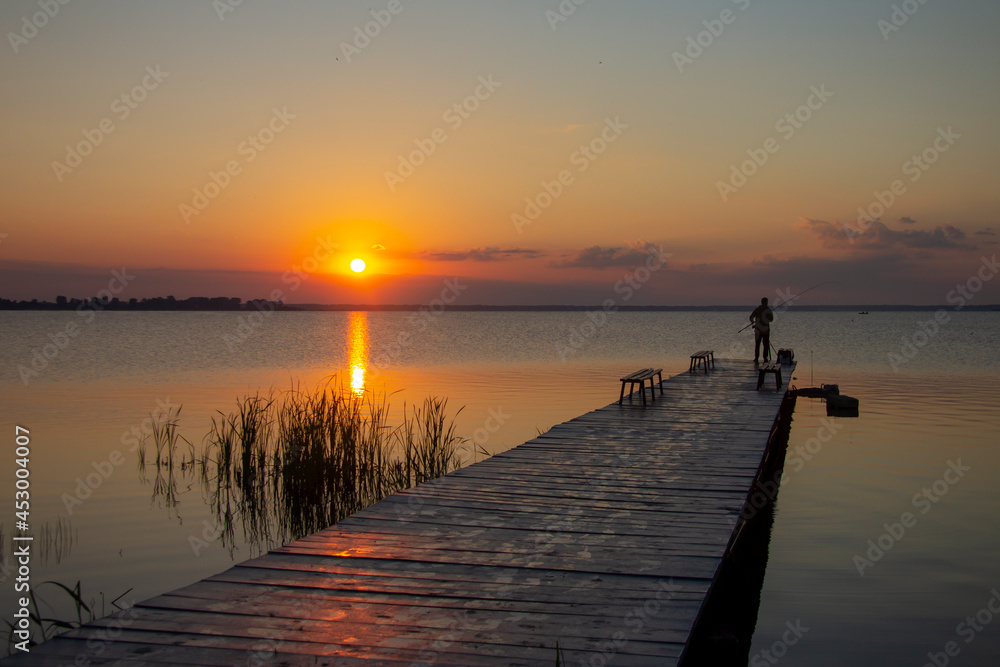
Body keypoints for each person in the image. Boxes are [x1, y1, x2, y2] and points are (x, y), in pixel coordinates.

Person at [749, 297, 774, 363]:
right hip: (764, 331)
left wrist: (753, 321)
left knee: (759, 344)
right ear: (766, 302)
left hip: (759, 330)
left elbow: (751, 317)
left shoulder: (758, 309)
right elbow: (771, 319)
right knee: (764, 344)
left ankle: (757, 358)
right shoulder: (768, 310)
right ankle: (764, 358)